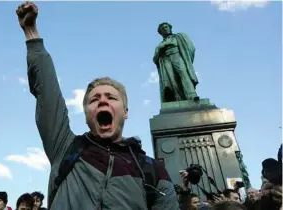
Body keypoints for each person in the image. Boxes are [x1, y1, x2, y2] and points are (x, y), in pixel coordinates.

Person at [16, 1, 179, 210]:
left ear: (126, 112)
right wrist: (31, 33)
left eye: (111, 97)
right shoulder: (65, 149)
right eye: (94, 99)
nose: (102, 100)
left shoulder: (153, 170)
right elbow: (48, 95)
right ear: (86, 115)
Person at [153, 22, 199, 102]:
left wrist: (188, 60)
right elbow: (155, 59)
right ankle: (178, 98)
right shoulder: (160, 44)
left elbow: (191, 48)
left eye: (166, 27)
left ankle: (192, 95)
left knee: (184, 74)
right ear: (160, 33)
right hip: (166, 59)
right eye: (162, 28)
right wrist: (160, 49)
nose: (165, 29)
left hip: (177, 55)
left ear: (170, 28)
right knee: (172, 80)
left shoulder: (178, 37)